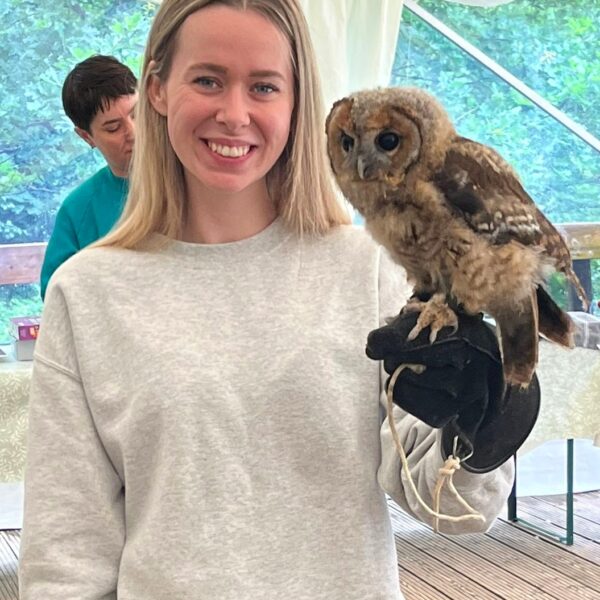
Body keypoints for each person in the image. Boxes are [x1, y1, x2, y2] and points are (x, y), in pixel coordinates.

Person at [19, 1, 539, 598]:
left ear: (297, 103)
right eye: (208, 80)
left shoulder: (370, 267)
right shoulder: (88, 292)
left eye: (264, 86)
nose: (234, 113)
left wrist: (483, 432)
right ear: (157, 89)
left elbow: (451, 505)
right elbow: (66, 554)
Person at [39, 55, 137, 300]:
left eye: (137, 114)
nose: (134, 132)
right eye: (113, 127)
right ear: (86, 136)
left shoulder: (195, 181)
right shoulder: (78, 210)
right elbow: (55, 295)